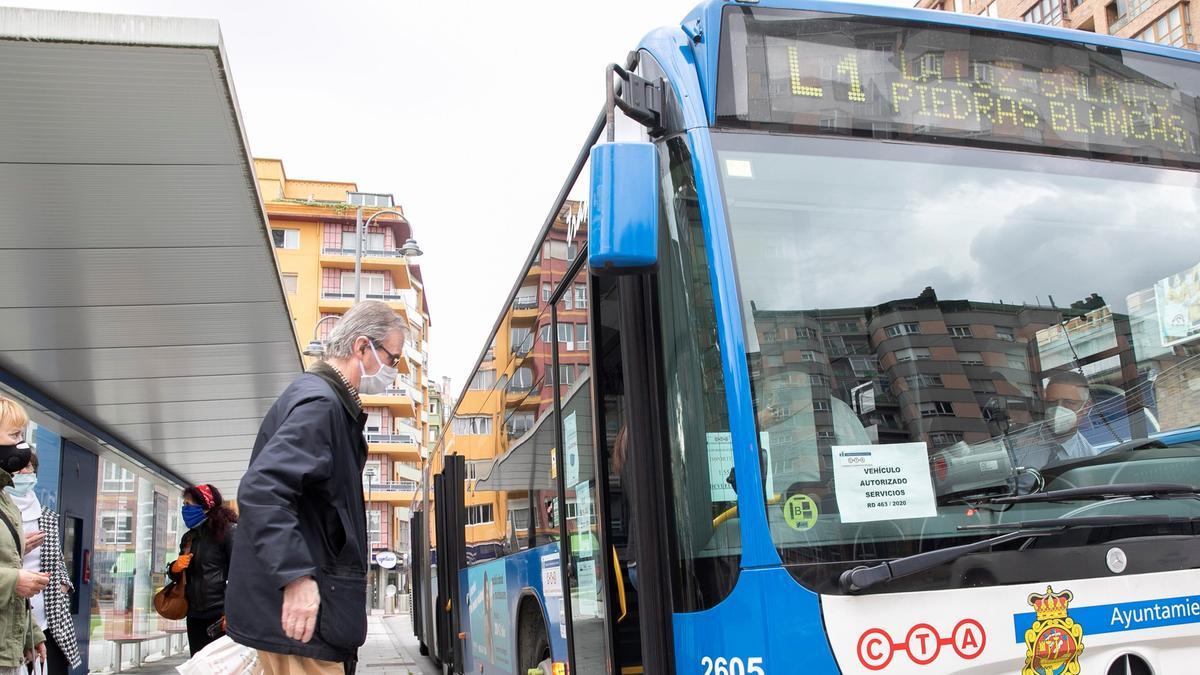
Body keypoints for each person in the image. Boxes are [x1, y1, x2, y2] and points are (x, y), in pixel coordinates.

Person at [226, 301, 405, 675]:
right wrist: (296, 578)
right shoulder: (321, 406)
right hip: (303, 626)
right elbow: (262, 489)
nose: (394, 372)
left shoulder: (324, 403)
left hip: (305, 623)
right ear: (361, 348)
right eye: (393, 359)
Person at [9, 455, 81, 674]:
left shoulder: (47, 515)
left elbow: (57, 561)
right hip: (12, 621)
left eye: (28, 466)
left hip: (49, 620)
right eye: (18, 467)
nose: (24, 472)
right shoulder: (4, 516)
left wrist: (63, 586)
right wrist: (21, 549)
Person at [0, 398, 48, 675]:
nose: (22, 445)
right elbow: (11, 574)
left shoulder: (5, 499)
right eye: (15, 435)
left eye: (23, 435)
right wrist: (14, 580)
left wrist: (30, 634)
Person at [167, 484, 237, 656]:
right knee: (198, 663)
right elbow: (180, 576)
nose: (185, 509)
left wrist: (231, 612)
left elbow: (239, 574)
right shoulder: (189, 537)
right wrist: (175, 567)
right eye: (184, 505)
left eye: (188, 504)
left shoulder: (228, 531)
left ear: (205, 506)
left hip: (220, 614)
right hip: (194, 614)